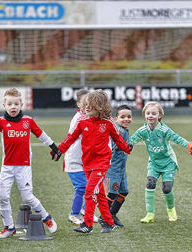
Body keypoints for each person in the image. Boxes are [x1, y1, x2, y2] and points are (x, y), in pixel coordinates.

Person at [54, 90, 132, 234]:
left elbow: (118, 139)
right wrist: (59, 150)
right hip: (87, 163)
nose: (87, 107)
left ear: (100, 107)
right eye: (86, 105)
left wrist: (127, 148)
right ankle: (109, 222)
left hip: (102, 163)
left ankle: (87, 224)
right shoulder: (82, 121)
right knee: (100, 194)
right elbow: (70, 138)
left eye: (91, 105)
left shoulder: (108, 122)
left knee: (90, 192)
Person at [0, 88, 60, 238]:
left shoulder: (27, 121)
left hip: (23, 166)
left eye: (16, 104)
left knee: (28, 198)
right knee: (2, 197)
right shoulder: (1, 121)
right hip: (7, 167)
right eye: (9, 104)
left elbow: (41, 134)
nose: (13, 107)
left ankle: (46, 218)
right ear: (4, 105)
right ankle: (9, 227)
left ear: (21, 104)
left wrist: (54, 147)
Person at [129, 102, 192, 223]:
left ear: (159, 115)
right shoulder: (142, 130)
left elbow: (176, 138)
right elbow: (132, 140)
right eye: (148, 113)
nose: (150, 116)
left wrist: (189, 145)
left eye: (154, 113)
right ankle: (150, 214)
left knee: (167, 188)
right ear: (144, 114)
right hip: (154, 163)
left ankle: (171, 211)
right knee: (150, 184)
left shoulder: (164, 129)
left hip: (168, 163)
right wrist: (125, 145)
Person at [64, 88, 98, 226]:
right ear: (78, 104)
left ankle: (85, 209)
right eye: (84, 103)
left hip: (85, 160)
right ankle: (74, 214)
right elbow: (72, 136)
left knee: (91, 186)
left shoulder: (90, 117)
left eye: (90, 102)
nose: (88, 105)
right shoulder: (78, 119)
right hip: (74, 160)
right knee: (82, 187)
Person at [104, 105, 133, 227]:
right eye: (122, 117)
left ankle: (112, 214)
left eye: (129, 116)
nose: (126, 119)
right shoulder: (119, 131)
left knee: (124, 192)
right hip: (113, 169)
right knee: (112, 193)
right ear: (116, 119)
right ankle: (104, 217)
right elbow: (115, 145)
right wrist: (127, 147)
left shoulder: (124, 130)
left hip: (121, 169)